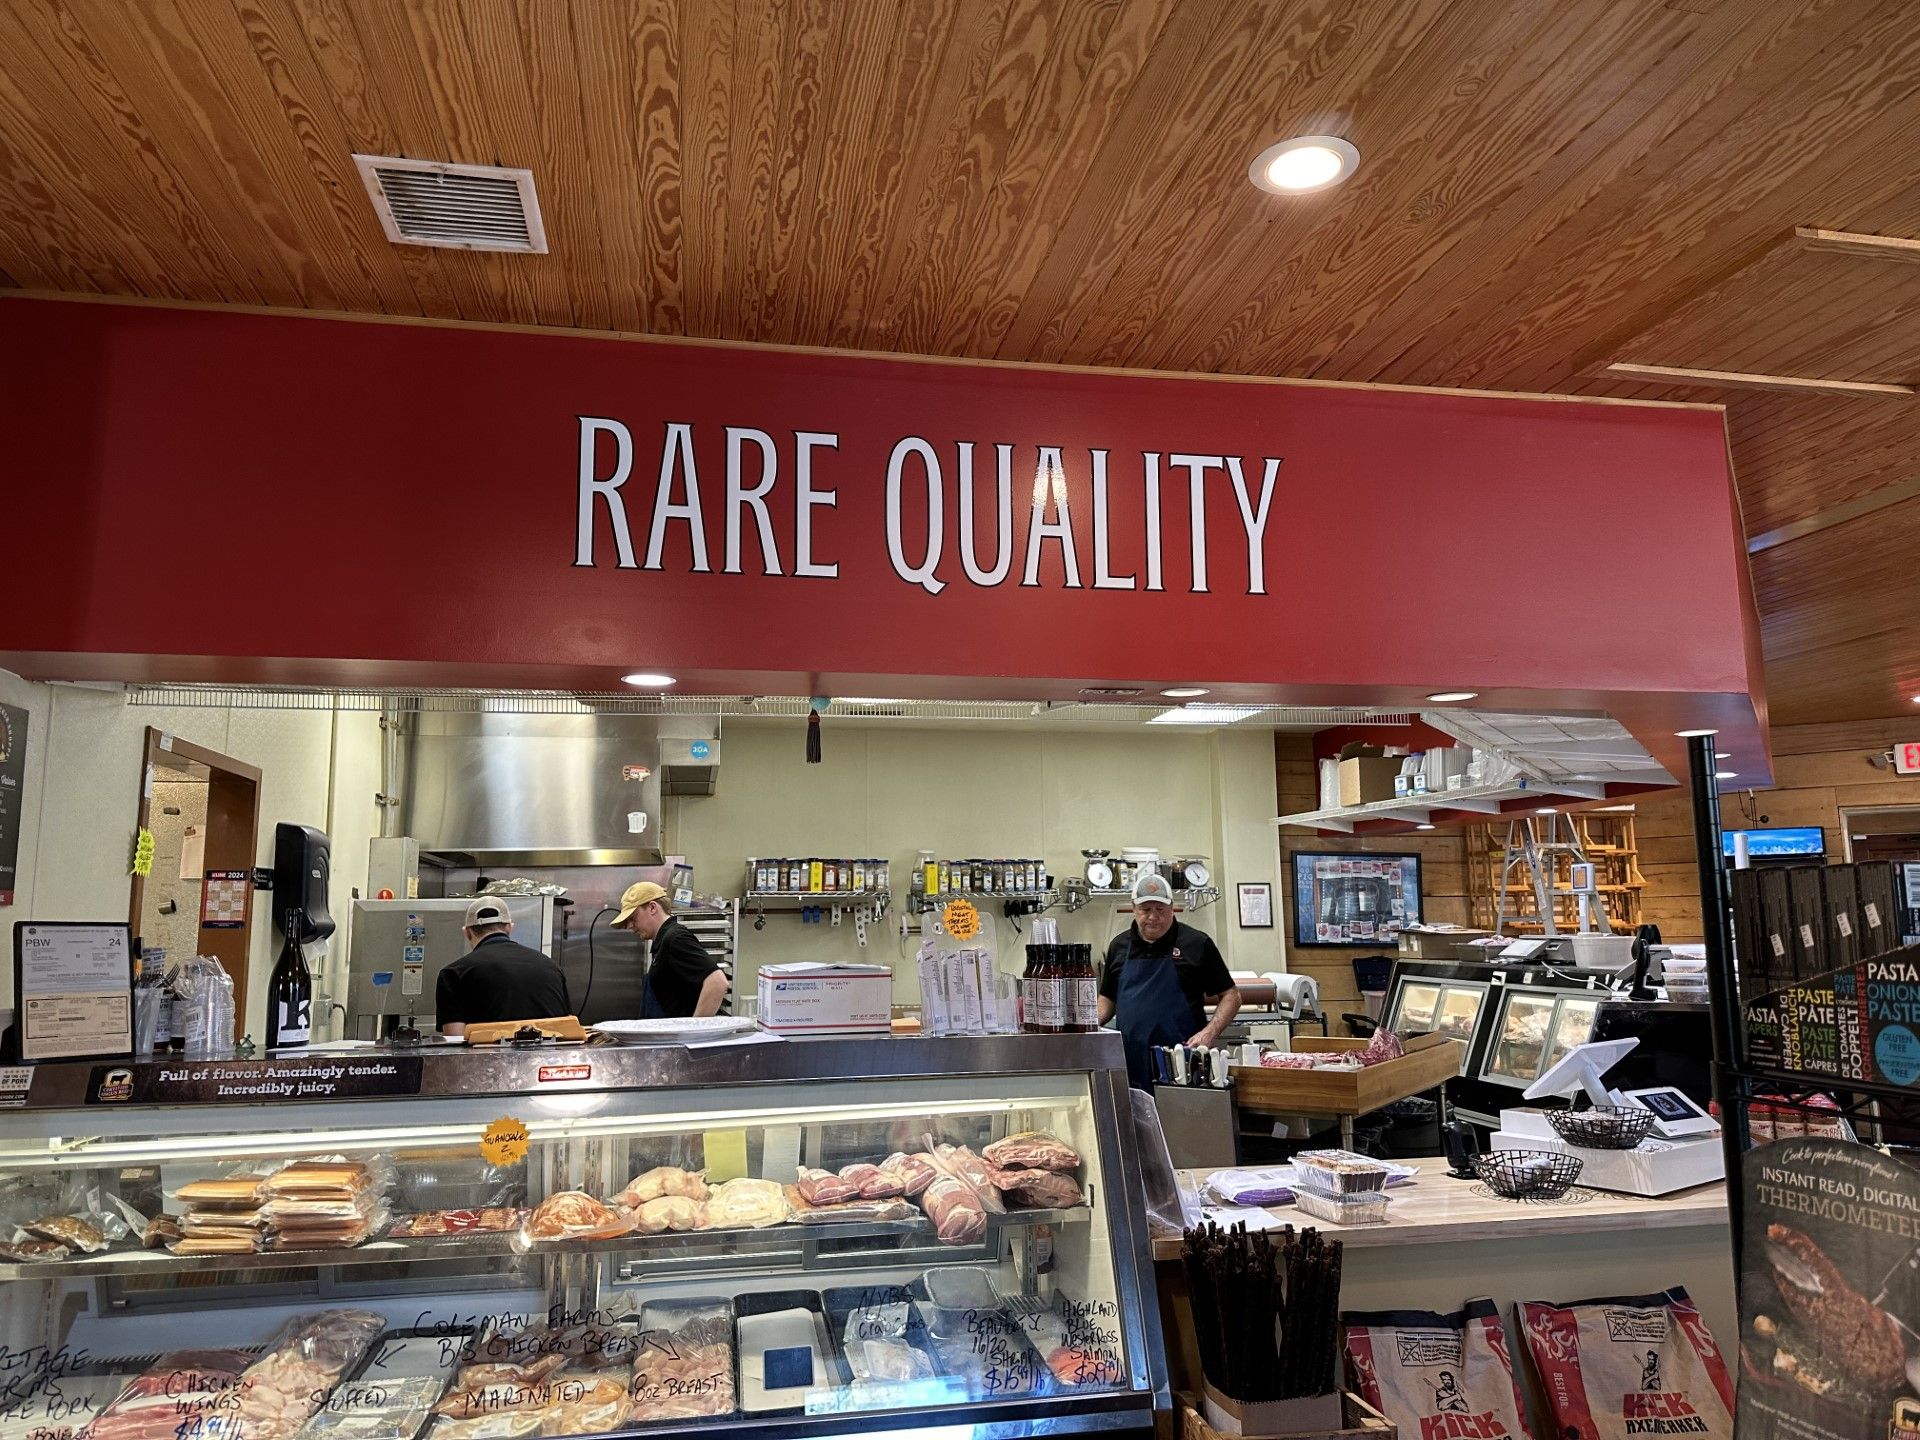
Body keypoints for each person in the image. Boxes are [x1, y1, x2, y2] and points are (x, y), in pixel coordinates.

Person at [1098, 872, 1241, 1089]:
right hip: (1130, 1061)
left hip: (1182, 1063)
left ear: (1172, 908)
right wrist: (1086, 1026)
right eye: (1146, 910)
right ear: (1134, 909)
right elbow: (1108, 998)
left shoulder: (1196, 943)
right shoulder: (1118, 946)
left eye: (1160, 910)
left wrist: (1209, 1032)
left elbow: (1232, 996)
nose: (1153, 917)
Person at [435, 897, 571, 1037]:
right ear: (509, 927)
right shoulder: (551, 967)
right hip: (546, 1058)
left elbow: (454, 1041)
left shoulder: (453, 974)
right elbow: (567, 1029)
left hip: (486, 1058)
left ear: (467, 932)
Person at [613, 880, 730, 1018]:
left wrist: (693, 1031)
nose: (630, 926)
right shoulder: (662, 942)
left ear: (652, 908)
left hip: (677, 1038)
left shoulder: (675, 938)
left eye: (633, 918)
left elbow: (717, 982)